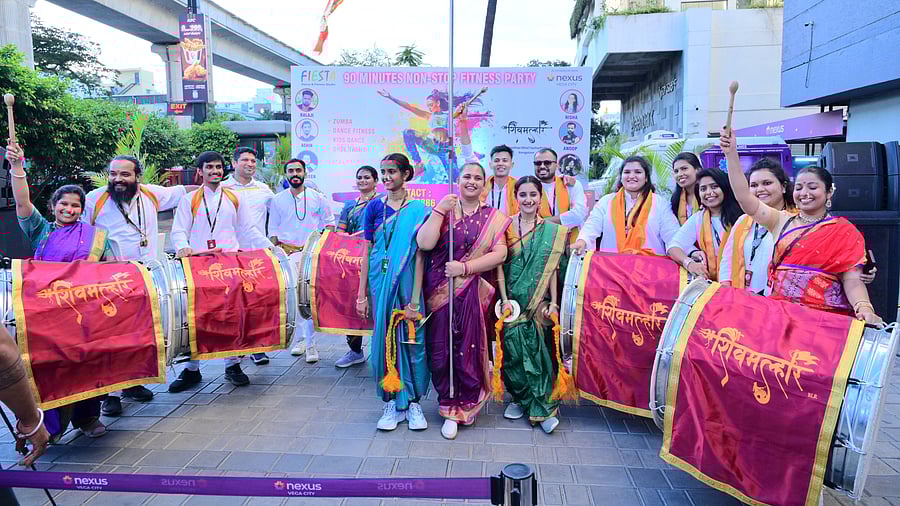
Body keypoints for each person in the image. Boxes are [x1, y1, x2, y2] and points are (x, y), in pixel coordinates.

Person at [6, 143, 113, 439]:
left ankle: (88, 417)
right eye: (63, 204)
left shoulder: (95, 237)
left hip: (84, 312)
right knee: (48, 367)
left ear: (82, 210)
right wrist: (17, 167)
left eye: (75, 206)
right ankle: (48, 425)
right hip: (44, 315)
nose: (68, 209)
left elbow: (113, 268)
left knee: (85, 363)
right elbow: (23, 202)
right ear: (53, 206)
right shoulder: (41, 229)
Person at [721, 128, 881, 324]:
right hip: (780, 318)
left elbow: (853, 279)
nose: (805, 193)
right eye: (799, 187)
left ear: (829, 192)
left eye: (813, 187)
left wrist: (864, 307)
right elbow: (744, 197)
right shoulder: (781, 220)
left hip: (825, 321)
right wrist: (731, 154)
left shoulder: (844, 231)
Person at [84, 155, 196, 415]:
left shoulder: (151, 194)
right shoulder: (94, 199)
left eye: (125, 174)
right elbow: (84, 234)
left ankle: (132, 384)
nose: (118, 179)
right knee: (111, 337)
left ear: (137, 176)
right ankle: (110, 395)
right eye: (114, 174)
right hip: (109, 278)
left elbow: (185, 192)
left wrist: (220, 184)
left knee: (139, 335)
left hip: (145, 275)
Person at [416, 162, 510, 440]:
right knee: (442, 348)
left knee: (470, 347)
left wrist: (465, 269)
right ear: (458, 180)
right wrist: (438, 211)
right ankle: (448, 404)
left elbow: (501, 253)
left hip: (470, 290)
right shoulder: (444, 210)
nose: (472, 182)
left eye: (477, 178)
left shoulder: (493, 217)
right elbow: (424, 244)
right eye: (467, 177)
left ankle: (467, 403)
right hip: (439, 294)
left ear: (485, 184)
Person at [168, 151, 275, 392]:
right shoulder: (190, 199)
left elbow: (249, 230)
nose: (215, 172)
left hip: (230, 263)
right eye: (209, 168)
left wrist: (270, 248)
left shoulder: (235, 198)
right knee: (195, 315)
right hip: (198, 265)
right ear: (200, 171)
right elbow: (178, 230)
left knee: (231, 314)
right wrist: (183, 247)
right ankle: (192, 369)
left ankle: (233, 364)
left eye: (218, 167)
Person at [355, 153, 431, 431]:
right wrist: (362, 294)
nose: (387, 177)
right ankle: (390, 401)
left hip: (410, 282)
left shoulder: (419, 210)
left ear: (406, 175)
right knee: (383, 340)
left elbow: (421, 255)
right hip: (381, 282)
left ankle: (413, 403)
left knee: (413, 341)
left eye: (392, 172)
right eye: (383, 172)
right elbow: (367, 251)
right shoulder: (374, 208)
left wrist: (414, 299)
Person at [495, 176, 567, 434]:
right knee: (513, 353)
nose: (528, 200)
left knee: (540, 352)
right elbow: (499, 267)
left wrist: (554, 303)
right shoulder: (505, 227)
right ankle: (517, 398)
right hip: (511, 302)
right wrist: (504, 300)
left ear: (540, 197)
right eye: (523, 195)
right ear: (515, 198)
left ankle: (542, 407)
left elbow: (552, 271)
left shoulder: (552, 231)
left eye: (533, 195)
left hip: (539, 302)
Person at [269, 158, 336, 363]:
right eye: (291, 171)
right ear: (286, 174)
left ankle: (311, 344)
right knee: (293, 299)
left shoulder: (318, 198)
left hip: (310, 256)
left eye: (298, 170)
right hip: (286, 255)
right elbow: (272, 230)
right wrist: (275, 253)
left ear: (305, 173)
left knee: (309, 299)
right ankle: (298, 341)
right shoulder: (277, 199)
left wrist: (322, 250)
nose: (295, 174)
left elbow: (330, 225)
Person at [223, 147, 275, 365]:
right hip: (228, 255)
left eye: (253, 160)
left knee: (256, 302)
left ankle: (256, 346)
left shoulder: (264, 190)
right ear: (234, 163)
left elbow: (282, 211)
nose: (250, 164)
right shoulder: (222, 189)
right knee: (231, 303)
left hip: (256, 256)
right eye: (245, 160)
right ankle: (232, 349)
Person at [573, 155, 680, 256]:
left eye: (638, 172)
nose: (632, 176)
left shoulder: (660, 203)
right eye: (627, 172)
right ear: (621, 177)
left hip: (650, 268)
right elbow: (591, 226)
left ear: (646, 177)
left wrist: (687, 255)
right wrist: (582, 241)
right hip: (612, 268)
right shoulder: (606, 201)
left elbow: (672, 235)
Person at [719, 158, 796, 294]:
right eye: (753, 185)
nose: (760, 189)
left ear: (783, 187)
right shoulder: (742, 221)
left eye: (767, 183)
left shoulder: (796, 222)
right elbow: (727, 261)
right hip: (743, 300)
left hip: (779, 301)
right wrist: (726, 290)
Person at [378, 89, 480, 183]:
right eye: (428, 106)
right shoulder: (429, 116)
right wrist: (391, 97)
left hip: (445, 149)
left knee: (455, 178)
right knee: (407, 133)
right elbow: (410, 107)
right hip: (432, 144)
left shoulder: (448, 116)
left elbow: (461, 111)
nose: (430, 108)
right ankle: (418, 163)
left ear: (438, 103)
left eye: (431, 105)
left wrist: (464, 106)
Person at [334, 165, 380, 368]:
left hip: (376, 259)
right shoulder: (349, 206)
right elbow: (340, 232)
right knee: (352, 304)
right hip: (352, 263)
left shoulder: (381, 203)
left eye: (367, 177)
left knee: (378, 304)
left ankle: (382, 351)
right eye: (359, 177)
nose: (362, 181)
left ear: (376, 181)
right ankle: (355, 351)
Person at [667, 167, 743, 280]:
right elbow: (673, 247)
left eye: (714, 187)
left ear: (725, 188)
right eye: (703, 189)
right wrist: (689, 263)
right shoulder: (698, 219)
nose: (708, 192)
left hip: (744, 280)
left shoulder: (743, 216)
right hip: (714, 284)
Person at [533, 148, 587, 238]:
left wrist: (542, 223)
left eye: (547, 163)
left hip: (570, 243)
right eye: (538, 163)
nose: (542, 166)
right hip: (540, 242)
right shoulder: (530, 188)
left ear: (557, 165)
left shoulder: (571, 185)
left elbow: (578, 215)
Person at [480, 145, 518, 216]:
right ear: (490, 165)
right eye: (497, 160)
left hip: (511, 226)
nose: (500, 163)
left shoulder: (518, 188)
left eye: (505, 160)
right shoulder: (482, 187)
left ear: (511, 165)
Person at [669, 152, 702, 225]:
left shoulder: (707, 195)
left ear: (698, 170)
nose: (680, 174)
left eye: (684, 169)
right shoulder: (675, 199)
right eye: (676, 171)